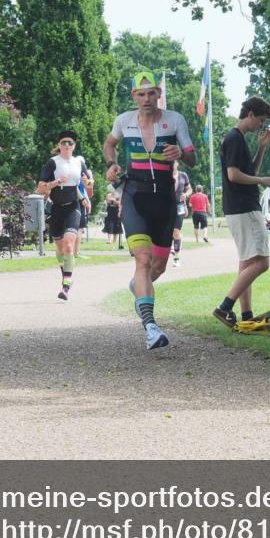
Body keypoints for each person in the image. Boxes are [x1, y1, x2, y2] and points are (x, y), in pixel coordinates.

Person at [104, 68, 196, 349]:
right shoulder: (124, 121)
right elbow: (110, 144)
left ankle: (139, 288)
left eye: (151, 93)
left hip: (165, 200)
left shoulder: (174, 120)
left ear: (159, 94)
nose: (146, 98)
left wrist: (181, 153)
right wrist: (111, 164)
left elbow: (192, 158)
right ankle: (151, 327)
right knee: (142, 260)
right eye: (140, 94)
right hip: (135, 195)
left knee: (159, 266)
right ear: (134, 96)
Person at [213, 96, 270, 328]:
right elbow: (234, 175)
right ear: (249, 115)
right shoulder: (234, 138)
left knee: (247, 263)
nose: (261, 125)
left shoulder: (238, 139)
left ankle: (247, 316)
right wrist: (263, 180)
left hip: (236, 207)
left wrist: (261, 149)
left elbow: (246, 171)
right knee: (262, 263)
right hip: (245, 208)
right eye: (260, 120)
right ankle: (225, 307)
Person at [37, 130, 92, 300]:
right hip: (56, 209)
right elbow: (40, 188)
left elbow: (86, 181)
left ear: (74, 146)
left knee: (69, 244)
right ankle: (67, 276)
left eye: (70, 143)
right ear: (59, 146)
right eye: (64, 143)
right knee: (60, 248)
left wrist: (84, 194)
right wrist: (56, 182)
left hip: (73, 208)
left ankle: (66, 286)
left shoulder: (79, 162)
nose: (67, 146)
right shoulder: (52, 163)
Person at [171, 160, 192, 268]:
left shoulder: (183, 175)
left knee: (176, 231)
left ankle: (176, 258)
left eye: (173, 162)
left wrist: (186, 195)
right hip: (167, 206)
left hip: (179, 206)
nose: (172, 164)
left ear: (177, 164)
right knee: (166, 231)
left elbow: (189, 189)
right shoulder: (164, 175)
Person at [73, 160, 94, 258]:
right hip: (79, 201)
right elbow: (81, 189)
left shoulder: (73, 172)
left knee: (74, 228)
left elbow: (87, 186)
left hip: (76, 200)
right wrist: (86, 201)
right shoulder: (80, 175)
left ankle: (73, 252)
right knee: (79, 228)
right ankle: (76, 253)